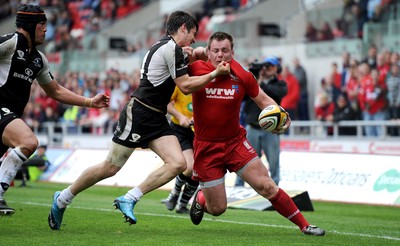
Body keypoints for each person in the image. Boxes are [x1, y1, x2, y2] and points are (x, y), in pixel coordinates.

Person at [48, 10, 230, 230]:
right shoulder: (170, 49)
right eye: (192, 33)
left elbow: (194, 52)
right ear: (183, 28)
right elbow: (185, 86)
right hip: (139, 113)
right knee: (110, 167)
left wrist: (206, 53)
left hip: (156, 117)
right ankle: (62, 198)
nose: (193, 39)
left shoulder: (170, 47)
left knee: (179, 164)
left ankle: (130, 198)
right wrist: (213, 74)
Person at [188, 31, 325, 236]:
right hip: (206, 147)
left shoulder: (242, 74)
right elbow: (178, 81)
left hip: (235, 143)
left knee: (267, 186)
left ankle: (305, 225)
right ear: (208, 52)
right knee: (217, 209)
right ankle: (201, 199)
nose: (220, 55)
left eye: (225, 50)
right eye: (215, 51)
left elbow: (263, 99)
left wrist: (283, 115)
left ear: (232, 52)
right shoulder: (195, 69)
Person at [0, 4, 110, 216]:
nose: (45, 30)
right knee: (29, 142)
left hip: (8, 118)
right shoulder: (11, 43)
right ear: (30, 25)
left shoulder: (39, 59)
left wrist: (90, 102)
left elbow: (56, 91)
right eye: (42, 25)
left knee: (25, 143)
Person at [235, 56, 287, 186]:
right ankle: (238, 187)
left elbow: (275, 93)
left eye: (271, 66)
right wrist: (251, 75)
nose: (267, 68)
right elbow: (242, 96)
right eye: (266, 65)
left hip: (271, 130)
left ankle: (275, 189)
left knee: (274, 162)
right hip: (252, 127)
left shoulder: (280, 84)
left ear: (277, 69)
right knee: (244, 162)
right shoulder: (252, 81)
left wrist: (259, 82)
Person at [163, 87, 198, 214]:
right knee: (190, 167)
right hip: (180, 129)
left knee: (199, 171)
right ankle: (175, 193)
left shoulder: (207, 84)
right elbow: (166, 104)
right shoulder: (180, 83)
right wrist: (180, 116)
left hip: (200, 131)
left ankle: (182, 205)